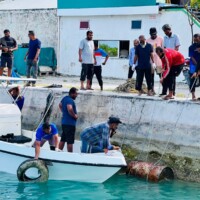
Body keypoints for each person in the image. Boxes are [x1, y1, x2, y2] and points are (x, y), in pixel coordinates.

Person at [59, 87, 78, 152]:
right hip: (70, 124)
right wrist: (74, 116)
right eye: (76, 94)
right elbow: (69, 108)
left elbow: (60, 105)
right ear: (72, 93)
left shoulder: (64, 98)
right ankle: (70, 155)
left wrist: (64, 112)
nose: (76, 95)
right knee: (70, 141)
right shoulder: (70, 100)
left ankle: (58, 152)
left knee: (63, 139)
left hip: (64, 123)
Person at [147, 27, 163, 95]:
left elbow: (163, 50)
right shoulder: (147, 41)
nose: (153, 36)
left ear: (156, 33)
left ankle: (164, 91)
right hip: (151, 62)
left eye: (154, 34)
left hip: (159, 62)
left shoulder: (160, 39)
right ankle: (152, 90)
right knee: (151, 77)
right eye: (152, 34)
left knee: (161, 76)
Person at [189, 34, 200, 100]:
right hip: (193, 65)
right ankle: (193, 95)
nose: (195, 40)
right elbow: (191, 56)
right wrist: (196, 66)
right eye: (194, 38)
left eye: (197, 38)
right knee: (192, 79)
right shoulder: (191, 47)